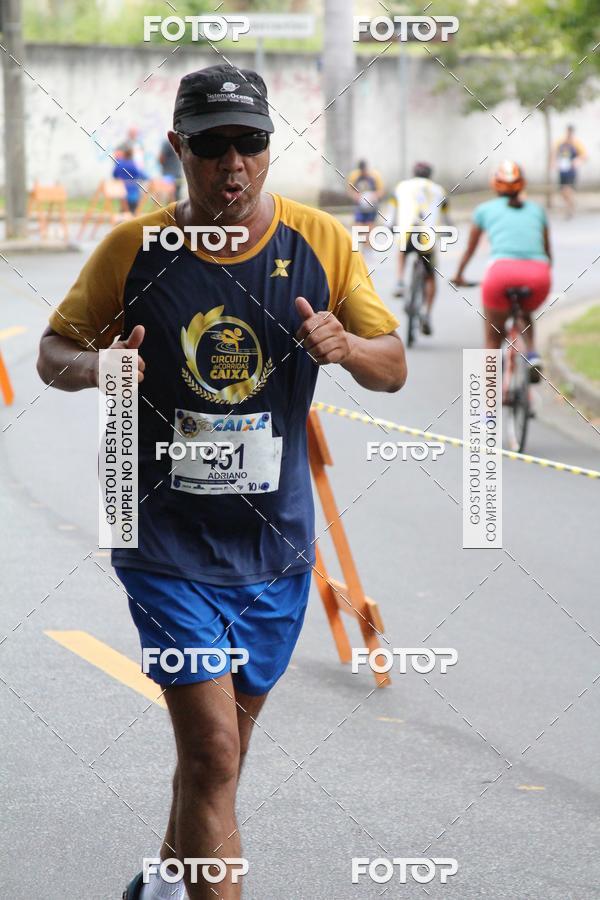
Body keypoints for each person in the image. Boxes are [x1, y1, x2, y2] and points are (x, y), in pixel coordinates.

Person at [36, 64, 406, 900]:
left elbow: (394, 368)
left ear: (271, 150)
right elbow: (50, 355)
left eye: (251, 144)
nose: (232, 165)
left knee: (220, 762)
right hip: (160, 539)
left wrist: (348, 348)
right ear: (179, 149)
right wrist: (98, 367)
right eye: (211, 147)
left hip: (272, 549)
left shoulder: (321, 243)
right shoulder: (133, 249)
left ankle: (166, 883)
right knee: (210, 753)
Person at [452, 160, 552, 379]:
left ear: (494, 184)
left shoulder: (484, 210)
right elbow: (547, 252)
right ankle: (533, 353)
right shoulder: (537, 210)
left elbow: (470, 250)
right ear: (522, 184)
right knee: (525, 312)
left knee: (492, 338)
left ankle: (484, 409)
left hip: (500, 276)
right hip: (538, 276)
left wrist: (459, 275)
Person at [393, 162, 449, 336]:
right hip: (427, 237)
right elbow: (445, 216)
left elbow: (392, 212)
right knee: (431, 277)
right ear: (430, 175)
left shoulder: (401, 187)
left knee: (401, 250)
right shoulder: (439, 190)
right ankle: (426, 312)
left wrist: (390, 226)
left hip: (407, 232)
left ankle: (400, 281)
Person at [552, 124, 587, 218]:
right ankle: (571, 203)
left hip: (571, 171)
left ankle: (568, 209)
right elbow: (554, 153)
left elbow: (584, 156)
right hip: (562, 170)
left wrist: (577, 161)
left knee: (568, 189)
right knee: (562, 191)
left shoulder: (576, 143)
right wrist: (554, 163)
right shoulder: (560, 142)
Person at [347, 159, 384, 233]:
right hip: (360, 205)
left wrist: (374, 196)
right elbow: (350, 190)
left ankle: (368, 242)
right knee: (358, 225)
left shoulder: (375, 175)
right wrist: (355, 195)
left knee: (370, 225)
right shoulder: (354, 176)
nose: (363, 173)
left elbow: (381, 191)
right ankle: (360, 242)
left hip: (372, 206)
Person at [112, 143, 148, 213]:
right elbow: (143, 176)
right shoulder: (134, 165)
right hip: (133, 195)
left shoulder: (119, 164)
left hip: (121, 195)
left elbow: (114, 175)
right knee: (133, 211)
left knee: (124, 211)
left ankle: (124, 214)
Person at [159, 136, 183, 200]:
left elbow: (161, 158)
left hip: (169, 175)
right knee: (176, 198)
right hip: (178, 174)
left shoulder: (166, 143)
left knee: (169, 198)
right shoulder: (180, 140)